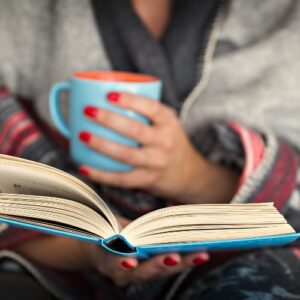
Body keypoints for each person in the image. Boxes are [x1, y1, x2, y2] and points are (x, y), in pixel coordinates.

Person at [0, 0, 300, 299]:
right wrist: (87, 246)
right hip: (52, 266)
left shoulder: (286, 18)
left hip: (246, 261)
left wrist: (193, 176)